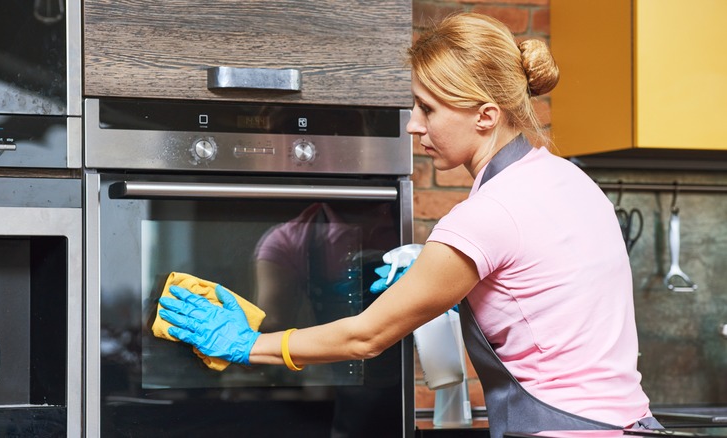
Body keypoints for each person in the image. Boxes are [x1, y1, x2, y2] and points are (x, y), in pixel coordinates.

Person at [158, 12, 661, 438]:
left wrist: (247, 344)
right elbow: (549, 297)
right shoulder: (569, 178)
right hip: (632, 423)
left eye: (428, 109)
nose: (414, 125)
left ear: (486, 115)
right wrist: (453, 272)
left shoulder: (488, 214)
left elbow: (365, 338)